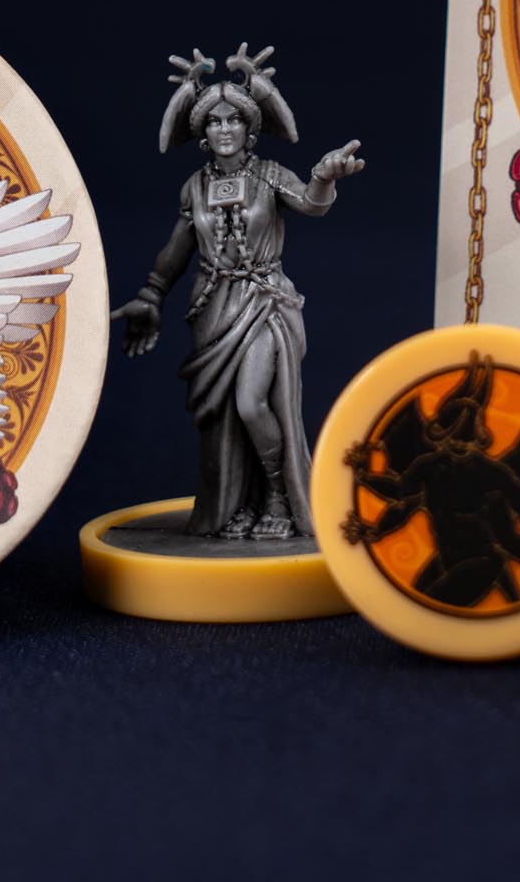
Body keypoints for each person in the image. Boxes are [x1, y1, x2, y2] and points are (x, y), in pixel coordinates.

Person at [113, 45, 364, 539]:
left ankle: (277, 497)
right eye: (214, 121)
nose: (224, 129)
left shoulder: (269, 175)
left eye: (234, 120)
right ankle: (239, 506)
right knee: (226, 418)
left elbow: (311, 204)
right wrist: (152, 294)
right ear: (202, 133)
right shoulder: (195, 187)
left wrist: (323, 177)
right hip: (212, 310)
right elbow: (176, 249)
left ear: (250, 129)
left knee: (252, 403)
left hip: (267, 303)